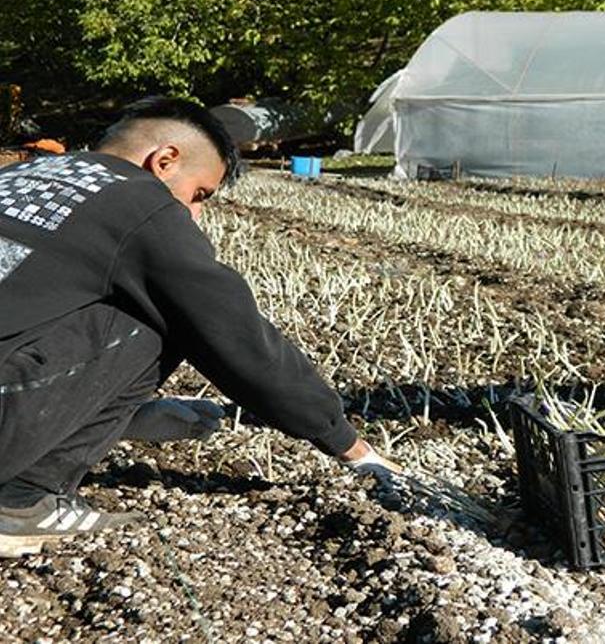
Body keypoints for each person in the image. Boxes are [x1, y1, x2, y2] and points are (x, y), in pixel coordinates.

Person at [0, 97, 398, 558]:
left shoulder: (22, 175)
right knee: (167, 311)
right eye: (200, 194)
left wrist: (126, 415)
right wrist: (347, 444)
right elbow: (236, 336)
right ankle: (22, 499)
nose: (195, 213)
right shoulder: (140, 201)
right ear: (165, 161)